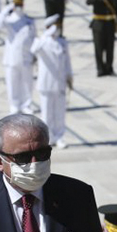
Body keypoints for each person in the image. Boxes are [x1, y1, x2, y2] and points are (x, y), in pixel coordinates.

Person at [31, 15, 73, 149]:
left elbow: (67, 62)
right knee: (47, 113)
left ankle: (60, 136)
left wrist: (69, 77)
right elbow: (34, 49)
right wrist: (45, 35)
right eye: (54, 27)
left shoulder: (62, 42)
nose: (57, 29)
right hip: (46, 83)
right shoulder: (41, 41)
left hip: (59, 82)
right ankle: (48, 137)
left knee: (60, 113)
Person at [0, 0, 36, 114]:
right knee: (12, 82)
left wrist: (34, 55)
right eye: (16, 4)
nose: (19, 7)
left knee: (27, 82)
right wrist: (7, 9)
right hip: (12, 57)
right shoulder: (8, 21)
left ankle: (27, 104)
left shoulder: (29, 21)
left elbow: (34, 38)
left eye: (20, 4)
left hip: (26, 57)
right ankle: (14, 104)